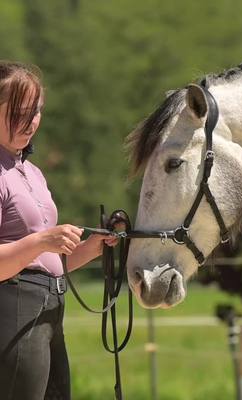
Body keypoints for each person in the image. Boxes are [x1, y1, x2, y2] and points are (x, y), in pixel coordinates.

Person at [0, 61, 117, 400]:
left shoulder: (33, 173)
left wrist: (94, 247)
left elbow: (48, 261)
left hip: (49, 307)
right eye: (19, 112)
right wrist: (42, 240)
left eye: (36, 111)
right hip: (14, 307)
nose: (31, 122)